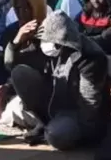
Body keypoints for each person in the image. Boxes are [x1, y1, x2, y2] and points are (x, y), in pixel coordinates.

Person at [14, 11, 109, 151]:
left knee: (57, 135)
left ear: (62, 41)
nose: (45, 44)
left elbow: (89, 104)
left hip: (75, 112)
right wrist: (16, 42)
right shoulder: (47, 47)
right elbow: (12, 64)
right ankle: (44, 124)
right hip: (53, 104)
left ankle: (61, 131)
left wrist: (84, 133)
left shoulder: (90, 58)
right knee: (20, 73)